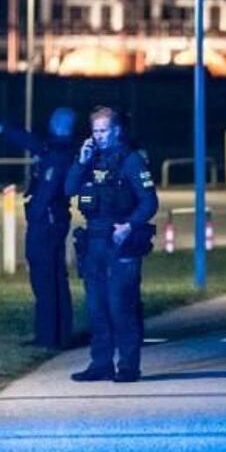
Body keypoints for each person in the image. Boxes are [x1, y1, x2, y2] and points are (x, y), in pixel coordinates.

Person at [65, 106, 159, 383]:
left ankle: (128, 366)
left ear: (116, 130)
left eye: (104, 130)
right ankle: (101, 364)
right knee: (96, 307)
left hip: (121, 240)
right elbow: (68, 190)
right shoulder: (90, 159)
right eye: (95, 131)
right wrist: (81, 162)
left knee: (121, 306)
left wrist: (129, 226)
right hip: (94, 241)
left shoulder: (131, 160)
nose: (99, 136)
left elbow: (149, 202)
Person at [0, 108, 77, 349]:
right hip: (53, 222)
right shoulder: (57, 149)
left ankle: (48, 337)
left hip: (46, 224)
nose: (50, 122)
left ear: (59, 125)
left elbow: (46, 192)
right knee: (55, 278)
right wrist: (5, 130)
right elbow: (32, 142)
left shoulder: (57, 156)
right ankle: (58, 333)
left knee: (44, 278)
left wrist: (35, 215)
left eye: (54, 120)